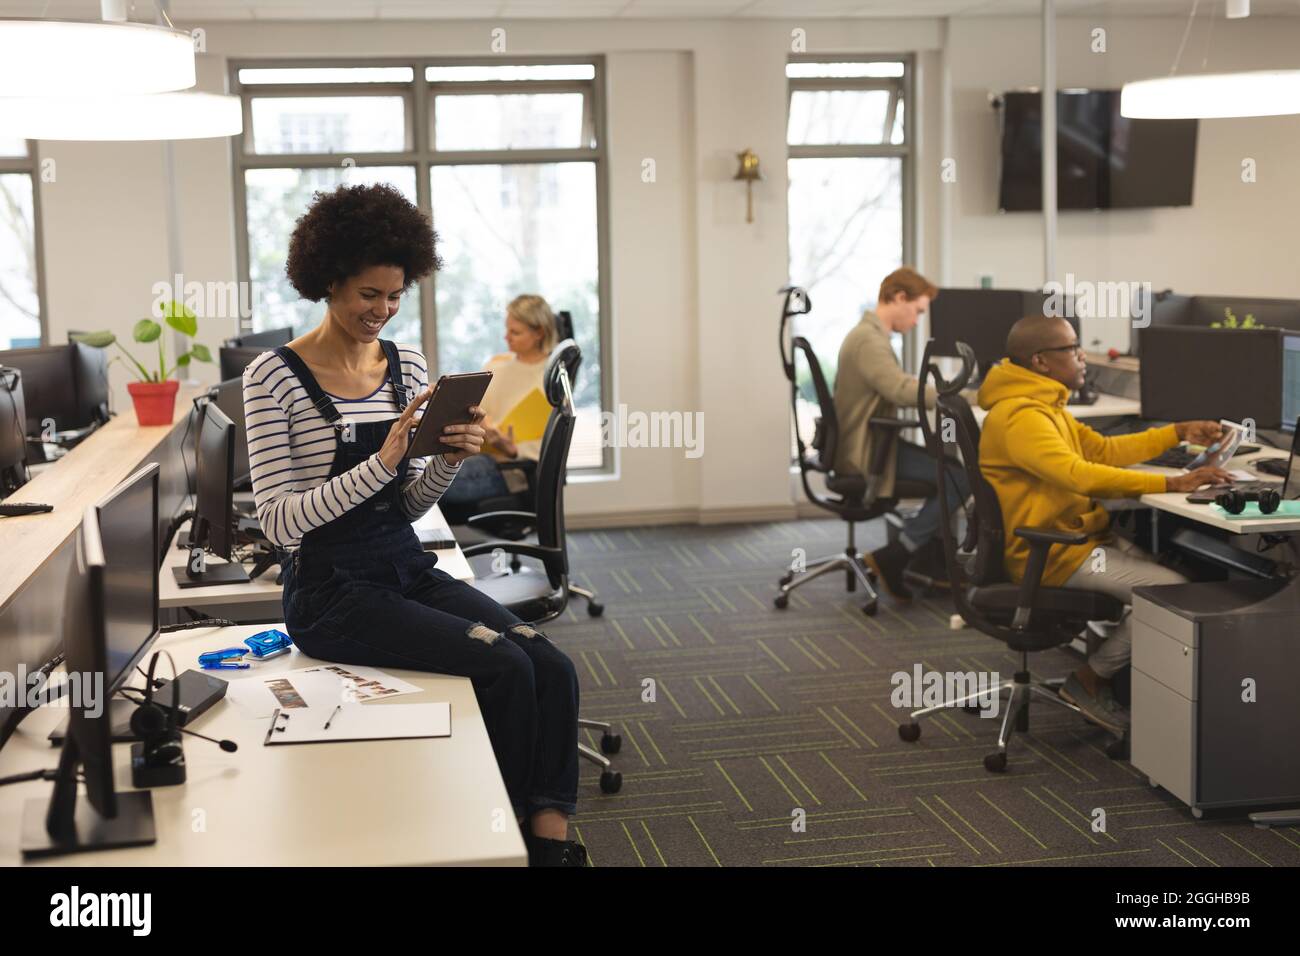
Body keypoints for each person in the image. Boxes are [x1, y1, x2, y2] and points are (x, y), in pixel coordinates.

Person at [242, 183, 585, 866]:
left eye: (395, 296)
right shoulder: (272, 379)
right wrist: (387, 456)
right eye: (369, 294)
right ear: (329, 280)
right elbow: (281, 523)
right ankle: (502, 839)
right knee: (503, 668)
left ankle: (549, 844)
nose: (383, 310)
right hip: (328, 589)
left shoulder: (409, 366)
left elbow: (406, 506)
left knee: (551, 666)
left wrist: (449, 458)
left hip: (402, 563)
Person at [977, 314, 1229, 734]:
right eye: (1072, 349)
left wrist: (1176, 432)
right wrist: (1173, 481)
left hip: (1070, 540)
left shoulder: (1043, 405)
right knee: (1176, 593)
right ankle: (1092, 678)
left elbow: (1103, 450)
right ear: (1041, 361)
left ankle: (1138, 688)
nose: (1082, 357)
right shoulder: (1022, 417)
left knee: (1180, 575)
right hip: (1053, 553)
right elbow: (1080, 474)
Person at [833, 266, 971, 601]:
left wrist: (934, 388)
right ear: (899, 298)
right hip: (866, 453)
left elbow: (895, 382)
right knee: (957, 479)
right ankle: (898, 555)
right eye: (918, 311)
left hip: (871, 444)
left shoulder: (870, 337)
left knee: (951, 473)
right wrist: (962, 395)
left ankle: (909, 557)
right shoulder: (868, 341)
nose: (917, 320)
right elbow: (899, 390)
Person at [437, 294, 558, 523]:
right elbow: (472, 408)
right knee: (423, 474)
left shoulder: (551, 379)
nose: (506, 337)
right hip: (474, 451)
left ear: (539, 333)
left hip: (512, 471)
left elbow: (551, 447)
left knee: (431, 483)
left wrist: (511, 449)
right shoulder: (497, 365)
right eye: (507, 329)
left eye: (516, 332)